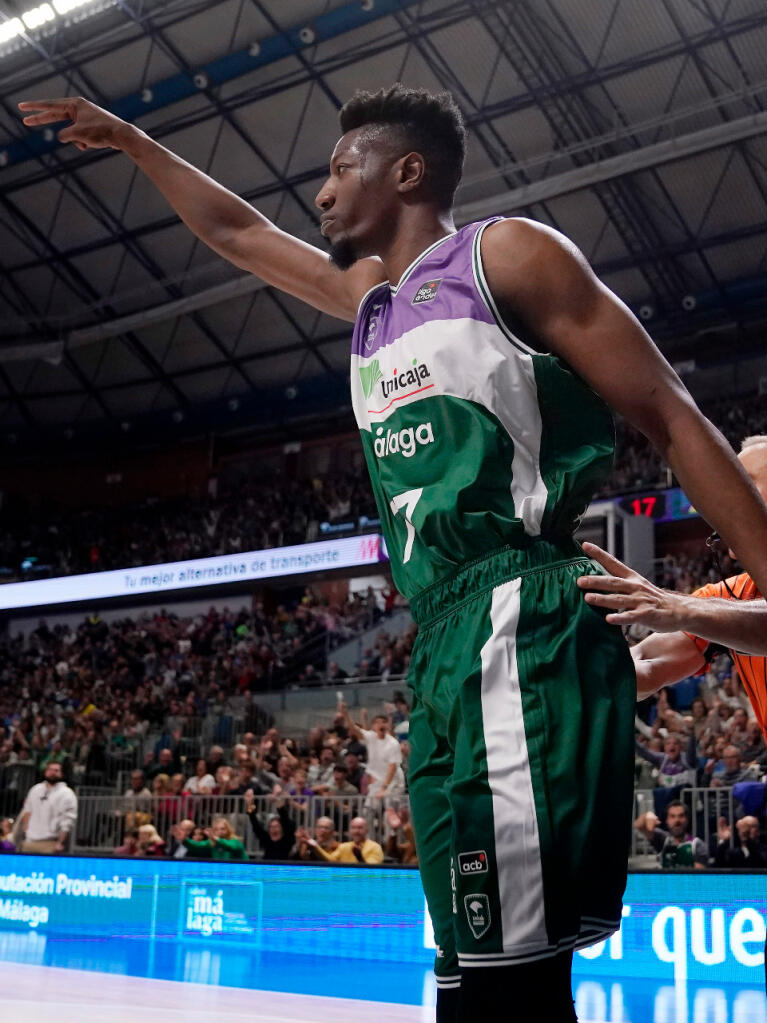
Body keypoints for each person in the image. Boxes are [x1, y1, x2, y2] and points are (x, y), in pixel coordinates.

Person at [20, 87, 767, 1023]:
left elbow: (668, 412)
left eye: (341, 169)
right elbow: (239, 234)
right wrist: (131, 142)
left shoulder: (508, 256)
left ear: (406, 171)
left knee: (510, 989)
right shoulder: (371, 302)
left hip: (518, 610)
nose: (322, 194)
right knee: (463, 976)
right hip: (443, 637)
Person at [18, 761, 77, 854]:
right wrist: (25, 831)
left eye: (56, 770)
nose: (52, 772)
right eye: (50, 769)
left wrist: (60, 842)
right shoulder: (35, 789)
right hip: (30, 841)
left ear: (61, 774)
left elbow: (68, 821)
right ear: (45, 772)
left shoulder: (67, 794)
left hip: (50, 842)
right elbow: (27, 810)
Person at [634, 802, 707, 869]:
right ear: (667, 820)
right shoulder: (663, 839)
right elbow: (638, 825)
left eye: (681, 816)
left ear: (687, 819)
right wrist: (648, 815)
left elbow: (699, 875)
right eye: (672, 816)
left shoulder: (697, 845)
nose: (677, 820)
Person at [307, 816, 384, 864]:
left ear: (367, 830)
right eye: (353, 828)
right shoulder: (344, 846)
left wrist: (360, 858)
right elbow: (331, 860)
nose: (356, 831)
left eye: (360, 828)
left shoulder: (375, 847)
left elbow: (372, 870)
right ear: (350, 831)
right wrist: (315, 846)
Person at [174, 816, 247, 861]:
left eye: (223, 829)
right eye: (216, 829)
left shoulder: (235, 842)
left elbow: (229, 846)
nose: (220, 831)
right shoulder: (212, 843)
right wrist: (184, 840)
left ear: (228, 830)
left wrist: (216, 839)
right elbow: (197, 845)